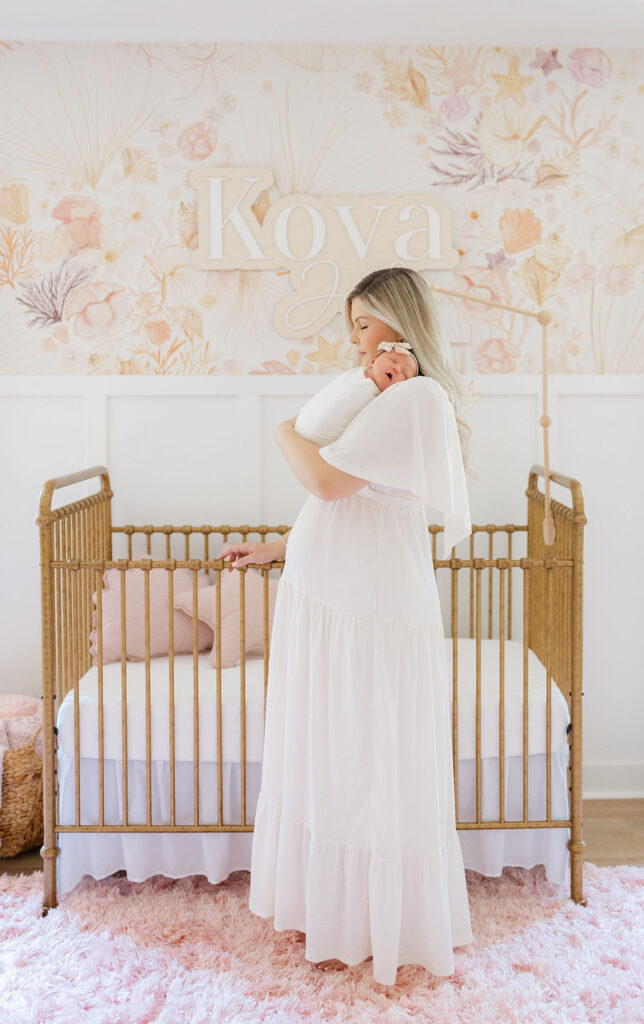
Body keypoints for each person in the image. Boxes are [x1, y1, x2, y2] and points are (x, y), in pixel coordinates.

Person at [220, 267, 474, 985]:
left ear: (401, 322)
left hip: (368, 609)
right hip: (333, 599)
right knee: (337, 756)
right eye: (354, 326)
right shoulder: (384, 395)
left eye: (366, 323)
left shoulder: (418, 397)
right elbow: (347, 503)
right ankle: (336, 910)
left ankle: (377, 921)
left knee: (371, 764)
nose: (356, 340)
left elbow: (328, 479)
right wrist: (276, 547)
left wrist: (279, 431)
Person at [292, 342, 419, 447]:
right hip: (301, 425)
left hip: (321, 444)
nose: (396, 369)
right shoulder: (353, 374)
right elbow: (328, 394)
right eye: (392, 360)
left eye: (405, 373)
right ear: (373, 362)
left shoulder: (383, 400)